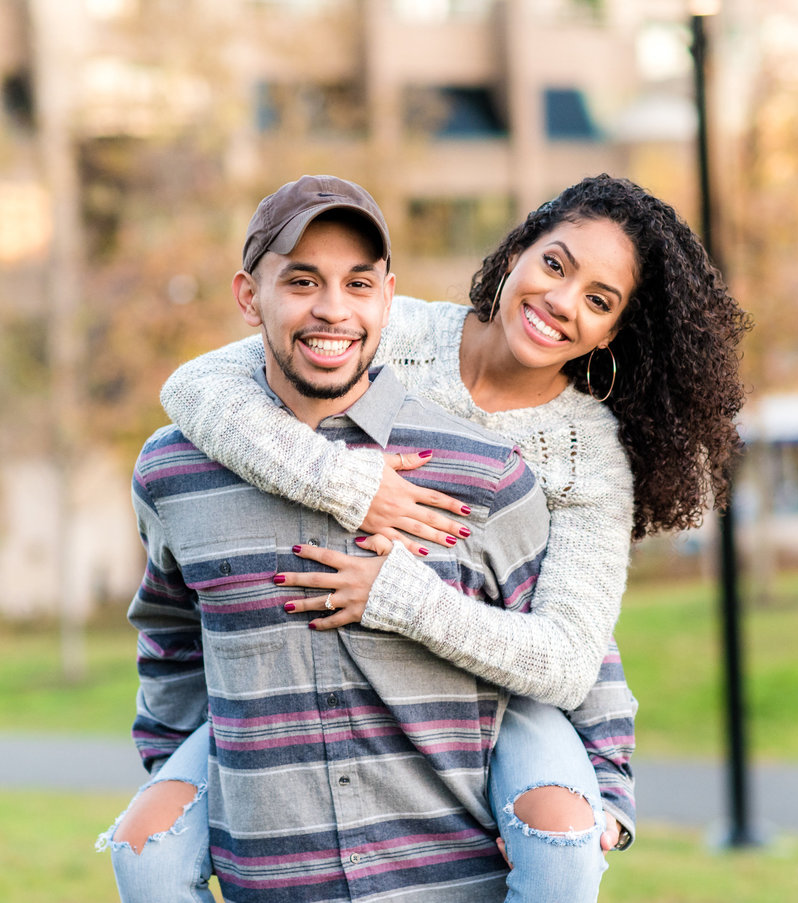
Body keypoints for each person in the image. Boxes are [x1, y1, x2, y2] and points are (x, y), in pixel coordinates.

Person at [100, 175, 639, 902]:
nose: (562, 300)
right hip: (273, 751)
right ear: (516, 253)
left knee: (565, 842)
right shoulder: (400, 328)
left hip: (512, 686)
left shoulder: (575, 460)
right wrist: (350, 484)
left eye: (599, 300)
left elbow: (580, 650)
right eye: (554, 263)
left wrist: (608, 786)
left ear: (613, 331)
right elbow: (200, 383)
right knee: (145, 850)